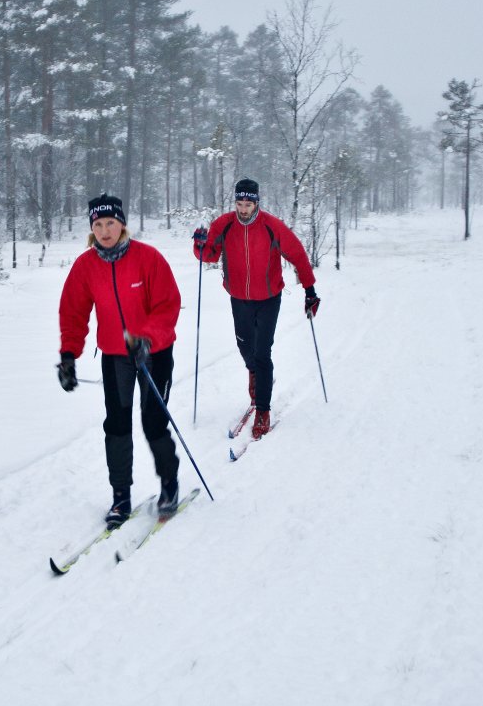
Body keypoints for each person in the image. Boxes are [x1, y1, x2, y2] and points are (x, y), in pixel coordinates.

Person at [58, 194, 183, 526]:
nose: (104, 231)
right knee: (116, 424)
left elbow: (168, 305)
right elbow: (73, 312)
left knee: (153, 422)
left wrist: (147, 338)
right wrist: (68, 356)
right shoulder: (85, 266)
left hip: (154, 352)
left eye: (110, 223)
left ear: (122, 224)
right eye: (98, 225)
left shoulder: (148, 258)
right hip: (115, 356)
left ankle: (169, 485)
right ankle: (120, 496)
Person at [192, 178, 320, 439]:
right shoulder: (224, 224)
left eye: (248, 204)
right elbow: (210, 255)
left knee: (262, 352)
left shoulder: (272, 226)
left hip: (269, 298)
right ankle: (255, 374)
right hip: (239, 298)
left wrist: (310, 291)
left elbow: (297, 254)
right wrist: (200, 244)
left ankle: (263, 409)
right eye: (239, 204)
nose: (243, 209)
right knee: (245, 348)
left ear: (256, 203)